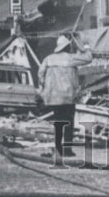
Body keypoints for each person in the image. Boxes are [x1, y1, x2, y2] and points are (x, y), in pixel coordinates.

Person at [38, 33, 93, 165]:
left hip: (53, 98)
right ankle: (67, 150)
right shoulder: (71, 58)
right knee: (69, 124)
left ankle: (58, 148)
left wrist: (46, 88)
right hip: (68, 97)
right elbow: (88, 58)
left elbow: (40, 75)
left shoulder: (48, 59)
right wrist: (83, 46)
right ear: (67, 47)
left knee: (58, 123)